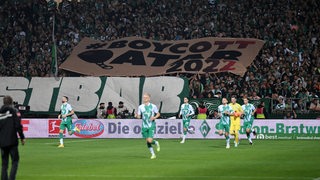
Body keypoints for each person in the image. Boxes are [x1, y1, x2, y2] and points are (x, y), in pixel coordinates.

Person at [0, 95, 25, 180]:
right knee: (15, 161)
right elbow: (18, 125)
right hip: (12, 141)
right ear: (11, 102)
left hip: (2, 142)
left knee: (4, 163)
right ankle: (11, 178)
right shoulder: (13, 111)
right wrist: (22, 137)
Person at [135, 93, 160, 159]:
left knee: (149, 140)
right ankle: (153, 154)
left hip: (151, 125)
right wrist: (136, 116)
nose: (145, 98)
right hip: (144, 126)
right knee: (147, 141)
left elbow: (158, 114)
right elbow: (139, 116)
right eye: (144, 97)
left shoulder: (153, 106)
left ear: (149, 98)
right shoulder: (140, 107)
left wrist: (154, 117)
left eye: (146, 97)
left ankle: (156, 142)